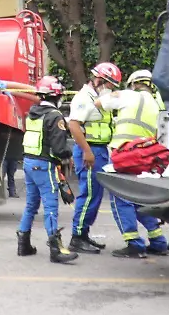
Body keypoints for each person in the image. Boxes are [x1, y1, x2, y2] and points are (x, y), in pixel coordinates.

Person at [96, 69, 168, 258]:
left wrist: (104, 92)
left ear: (133, 84)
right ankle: (158, 240)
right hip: (146, 158)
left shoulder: (128, 96)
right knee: (138, 198)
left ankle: (134, 243)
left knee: (121, 198)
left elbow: (99, 103)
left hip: (123, 155)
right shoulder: (156, 103)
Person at [17, 76, 78, 264]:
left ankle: (23, 244)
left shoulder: (33, 113)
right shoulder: (55, 116)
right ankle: (55, 248)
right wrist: (70, 153)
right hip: (44, 165)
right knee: (51, 207)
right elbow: (59, 149)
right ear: (56, 96)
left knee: (31, 205)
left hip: (29, 163)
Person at [67, 61, 122, 254]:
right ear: (98, 80)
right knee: (89, 194)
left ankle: (83, 233)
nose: (110, 89)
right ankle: (77, 237)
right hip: (90, 151)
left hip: (99, 151)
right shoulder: (84, 98)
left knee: (95, 195)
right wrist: (87, 151)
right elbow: (74, 125)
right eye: (109, 84)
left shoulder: (96, 97)